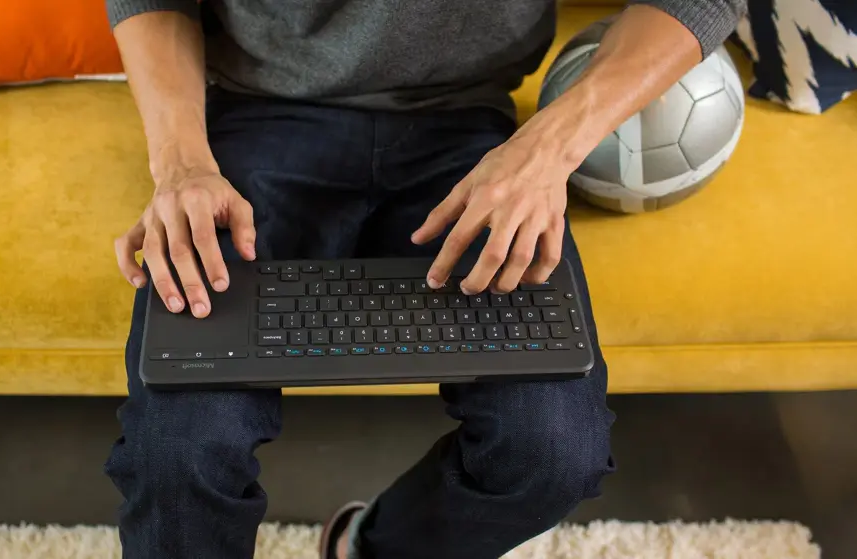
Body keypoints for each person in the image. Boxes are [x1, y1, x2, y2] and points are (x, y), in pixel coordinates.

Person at [103, 0, 746, 557]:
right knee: (176, 451)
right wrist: (181, 164)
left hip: (468, 132)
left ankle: (371, 549)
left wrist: (547, 149)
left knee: (550, 449)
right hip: (260, 117)